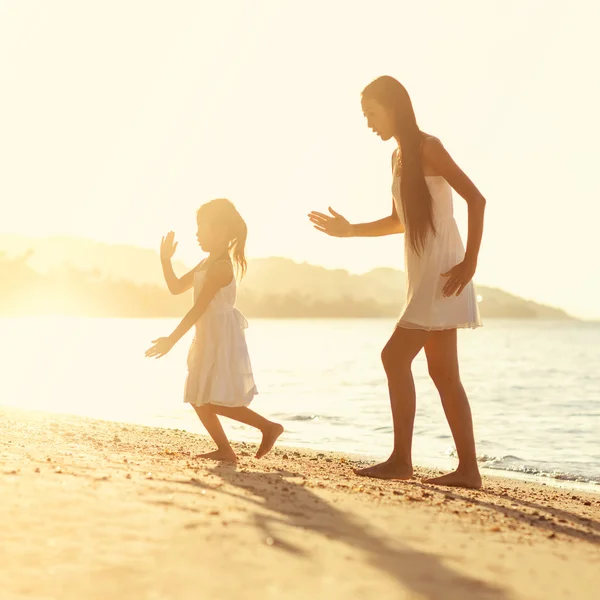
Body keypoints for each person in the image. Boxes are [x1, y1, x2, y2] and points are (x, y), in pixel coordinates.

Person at [308, 76, 486, 488]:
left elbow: (476, 200)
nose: (369, 123)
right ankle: (469, 471)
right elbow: (398, 221)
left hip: (444, 272)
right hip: (425, 273)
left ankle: (403, 460)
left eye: (372, 113)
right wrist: (350, 230)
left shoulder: (429, 148)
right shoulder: (398, 158)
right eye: (365, 115)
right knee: (443, 374)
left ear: (394, 108)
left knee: (394, 357)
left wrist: (471, 261)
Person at [146, 198, 283, 462]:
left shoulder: (220, 267)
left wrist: (171, 341)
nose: (197, 234)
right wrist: (165, 261)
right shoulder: (205, 263)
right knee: (198, 396)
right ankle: (226, 449)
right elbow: (176, 288)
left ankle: (268, 427)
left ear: (220, 230)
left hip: (220, 337)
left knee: (212, 398)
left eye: (201, 227)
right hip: (206, 334)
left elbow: (198, 308)